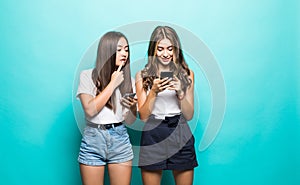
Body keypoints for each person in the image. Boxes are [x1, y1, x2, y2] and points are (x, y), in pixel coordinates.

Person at [135, 26, 198, 185]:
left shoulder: (187, 74)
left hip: (180, 131)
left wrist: (180, 93)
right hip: (153, 132)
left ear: (176, 50)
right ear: (153, 50)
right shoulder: (142, 76)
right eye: (160, 49)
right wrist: (154, 92)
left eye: (170, 49)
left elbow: (189, 115)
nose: (165, 54)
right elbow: (143, 116)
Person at [76, 31, 137, 185]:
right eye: (119, 49)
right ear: (107, 50)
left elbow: (129, 120)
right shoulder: (87, 76)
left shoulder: (129, 81)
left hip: (120, 138)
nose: (124, 53)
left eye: (127, 49)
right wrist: (112, 84)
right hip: (93, 138)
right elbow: (90, 110)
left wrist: (133, 108)